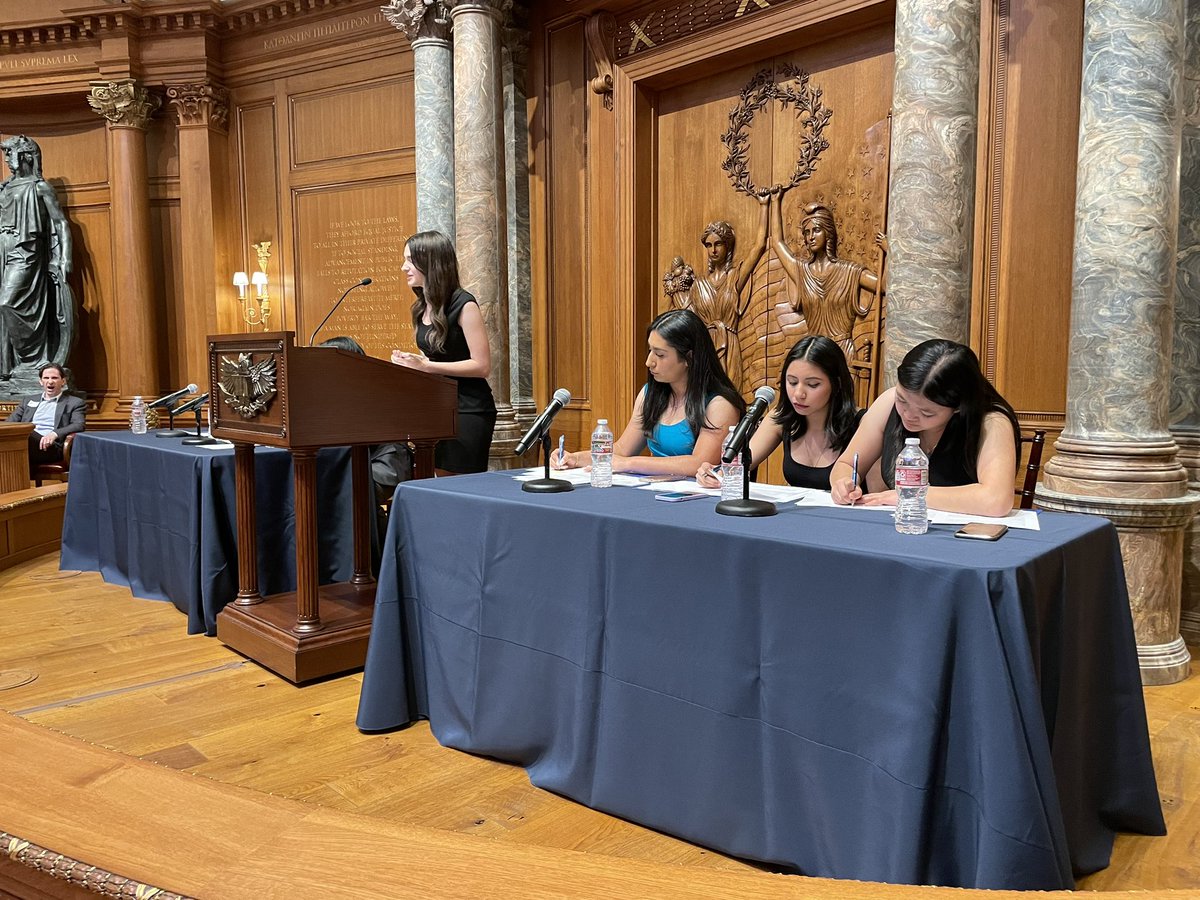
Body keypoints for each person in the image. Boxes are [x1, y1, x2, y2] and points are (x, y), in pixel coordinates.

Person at [829, 339, 1021, 517]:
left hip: (963, 535)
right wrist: (843, 484)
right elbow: (846, 464)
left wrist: (908, 496)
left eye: (927, 413)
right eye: (902, 400)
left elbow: (996, 500)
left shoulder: (991, 422)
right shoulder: (888, 403)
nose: (908, 415)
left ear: (959, 407)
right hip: (902, 524)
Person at [553, 308, 745, 477]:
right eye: (650, 351)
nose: (649, 362)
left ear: (689, 358)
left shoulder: (720, 405)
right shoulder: (650, 393)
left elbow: (699, 463)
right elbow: (622, 449)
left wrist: (629, 464)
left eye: (660, 354)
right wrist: (576, 458)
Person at [695, 335, 861, 491]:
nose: (798, 394)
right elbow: (739, 466)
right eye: (792, 382)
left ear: (837, 384)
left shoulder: (862, 424)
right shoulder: (781, 418)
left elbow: (878, 496)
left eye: (812, 385)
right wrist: (714, 473)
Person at [390, 231, 495, 475]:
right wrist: (411, 362)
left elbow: (482, 366)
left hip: (469, 409)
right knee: (435, 479)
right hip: (438, 407)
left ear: (430, 262)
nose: (403, 267)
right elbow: (433, 359)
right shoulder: (421, 307)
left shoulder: (464, 304)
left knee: (459, 484)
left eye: (409, 260)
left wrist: (427, 366)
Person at [666, 195, 769, 388]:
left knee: (729, 396)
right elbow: (685, 317)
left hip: (729, 345)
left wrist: (765, 205)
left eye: (718, 244)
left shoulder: (735, 277)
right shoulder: (698, 285)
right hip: (704, 347)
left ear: (727, 246)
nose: (713, 250)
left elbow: (759, 246)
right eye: (709, 245)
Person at [770, 195, 883, 358]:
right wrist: (774, 201)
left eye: (816, 230)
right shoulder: (801, 272)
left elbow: (884, 286)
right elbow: (777, 243)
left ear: (828, 232)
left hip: (842, 354)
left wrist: (890, 250)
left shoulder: (849, 272)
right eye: (807, 232)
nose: (811, 237)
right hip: (813, 353)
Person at [0, 134, 74, 379]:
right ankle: (11, 367)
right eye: (6, 154)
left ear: (26, 156)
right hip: (3, 249)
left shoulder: (40, 187)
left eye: (12, 153)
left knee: (7, 302)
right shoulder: (5, 187)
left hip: (26, 251)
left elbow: (60, 223)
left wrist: (66, 258)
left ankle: (33, 360)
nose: (8, 159)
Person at [319, 336, 412, 499]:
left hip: (383, 465)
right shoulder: (330, 395)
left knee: (332, 486)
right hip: (347, 467)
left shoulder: (372, 394)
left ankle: (366, 524)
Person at [4, 362, 85, 474]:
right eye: (46, 378)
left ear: (63, 381)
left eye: (54, 378)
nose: (50, 381)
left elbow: (79, 425)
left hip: (50, 448)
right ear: (41, 381)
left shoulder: (74, 403)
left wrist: (54, 433)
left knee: (26, 431)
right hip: (23, 444)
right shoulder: (28, 401)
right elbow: (9, 423)